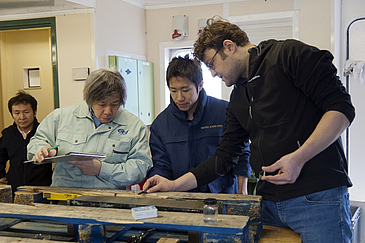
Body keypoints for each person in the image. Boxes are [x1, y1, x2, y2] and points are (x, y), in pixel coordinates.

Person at [143, 17, 355, 243]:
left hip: (316, 199)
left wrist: (299, 157)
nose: (213, 73)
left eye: (212, 64)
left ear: (229, 46)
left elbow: (341, 109)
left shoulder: (289, 56)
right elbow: (223, 158)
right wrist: (174, 185)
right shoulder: (238, 97)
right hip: (268, 205)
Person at [27, 68, 152, 189]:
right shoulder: (61, 117)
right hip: (64, 197)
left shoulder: (134, 126)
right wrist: (41, 150)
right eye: (101, 104)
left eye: (115, 104)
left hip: (110, 201)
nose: (108, 111)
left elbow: (140, 169)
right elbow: (35, 143)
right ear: (89, 100)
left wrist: (101, 169)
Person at [147, 55, 251, 194]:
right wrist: (157, 180)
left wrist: (242, 191)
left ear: (200, 85)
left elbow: (242, 154)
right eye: (173, 90)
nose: (179, 97)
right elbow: (161, 165)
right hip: (180, 198)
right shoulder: (160, 125)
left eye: (185, 90)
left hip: (221, 196)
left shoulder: (225, 112)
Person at [0, 90, 52, 197]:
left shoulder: (45, 132)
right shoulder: (7, 134)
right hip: (15, 187)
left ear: (35, 112)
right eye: (17, 113)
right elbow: (0, 156)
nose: (22, 117)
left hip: (41, 187)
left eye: (26, 112)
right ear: (12, 114)